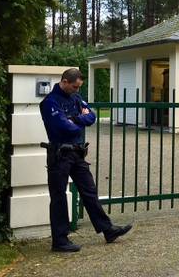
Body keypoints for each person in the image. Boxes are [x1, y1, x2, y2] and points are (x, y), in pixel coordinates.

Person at [40, 68, 132, 252]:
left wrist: (75, 118)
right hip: (59, 155)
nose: (76, 90)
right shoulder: (50, 102)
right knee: (58, 197)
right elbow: (66, 128)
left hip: (77, 153)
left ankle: (107, 229)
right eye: (74, 86)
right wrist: (78, 120)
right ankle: (60, 240)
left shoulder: (75, 97)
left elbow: (92, 116)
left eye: (78, 87)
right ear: (64, 82)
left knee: (89, 191)